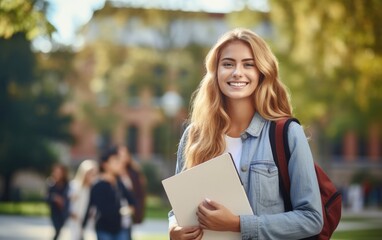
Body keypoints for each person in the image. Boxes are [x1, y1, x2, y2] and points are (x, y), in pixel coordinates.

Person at [168, 28, 323, 239]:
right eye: (228, 64)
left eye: (248, 64)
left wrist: (238, 224)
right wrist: (174, 228)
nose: (237, 72)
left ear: (262, 72)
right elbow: (179, 207)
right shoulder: (194, 135)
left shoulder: (287, 133)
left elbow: (312, 218)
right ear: (215, 72)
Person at [82, 146, 136, 240]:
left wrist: (128, 210)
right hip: (104, 229)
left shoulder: (119, 182)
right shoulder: (97, 185)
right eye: (116, 161)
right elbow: (97, 209)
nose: (120, 164)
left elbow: (132, 201)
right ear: (105, 164)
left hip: (120, 229)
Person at [117, 145, 147, 239]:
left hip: (129, 213)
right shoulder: (113, 172)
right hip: (115, 212)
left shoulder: (134, 173)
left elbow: (139, 193)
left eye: (124, 154)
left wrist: (136, 209)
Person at [67, 159, 99, 240]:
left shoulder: (93, 188)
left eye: (94, 174)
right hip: (75, 220)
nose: (91, 176)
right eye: (89, 173)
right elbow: (69, 204)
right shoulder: (75, 186)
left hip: (87, 221)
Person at [46, 163, 70, 240]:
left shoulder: (67, 184)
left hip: (63, 210)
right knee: (57, 229)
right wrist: (55, 198)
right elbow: (47, 197)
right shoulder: (51, 183)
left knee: (59, 229)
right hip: (55, 211)